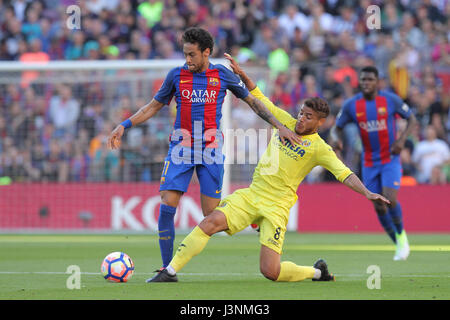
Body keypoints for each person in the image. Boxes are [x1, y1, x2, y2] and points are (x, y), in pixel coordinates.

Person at [146, 55, 390, 283]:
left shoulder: (320, 149)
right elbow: (259, 98)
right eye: (301, 113)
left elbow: (344, 173)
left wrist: (367, 192)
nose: (301, 119)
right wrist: (243, 75)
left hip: (277, 207)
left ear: (320, 122)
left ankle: (317, 272)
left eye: (308, 116)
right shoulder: (285, 121)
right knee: (210, 222)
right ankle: (170, 271)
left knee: (270, 271)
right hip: (252, 195)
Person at [108, 27, 300, 270]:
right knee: (168, 204)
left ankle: (252, 215)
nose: (187, 60)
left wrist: (279, 126)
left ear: (206, 52)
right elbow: (152, 106)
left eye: (192, 55)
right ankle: (167, 268)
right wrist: (124, 125)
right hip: (181, 148)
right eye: (185, 54)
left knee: (212, 215)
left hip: (210, 149)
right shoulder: (176, 76)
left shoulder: (222, 75)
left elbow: (253, 102)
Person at [330, 66, 417, 261]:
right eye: (363, 80)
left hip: (390, 159)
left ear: (377, 82)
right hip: (369, 162)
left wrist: (402, 140)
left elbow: (411, 118)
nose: (366, 83)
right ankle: (397, 244)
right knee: (378, 204)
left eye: (370, 79)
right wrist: (336, 139)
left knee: (390, 198)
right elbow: (336, 128)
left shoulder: (390, 100)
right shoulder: (352, 105)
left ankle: (402, 237)